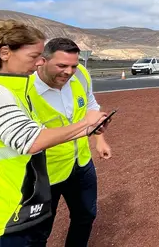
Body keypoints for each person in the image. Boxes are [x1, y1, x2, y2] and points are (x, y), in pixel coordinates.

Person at [0, 20, 107, 247]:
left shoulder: (12, 89)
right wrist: (86, 126)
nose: (38, 63)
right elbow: (31, 140)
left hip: (20, 207)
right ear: (5, 53)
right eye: (33, 56)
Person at [28, 38, 112, 246]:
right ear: (42, 61)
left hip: (81, 163)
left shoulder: (81, 75)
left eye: (73, 65)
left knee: (86, 216)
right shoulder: (26, 91)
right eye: (62, 66)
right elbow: (32, 139)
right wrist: (85, 126)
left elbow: (91, 105)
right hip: (45, 172)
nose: (69, 71)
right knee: (39, 229)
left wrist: (99, 137)